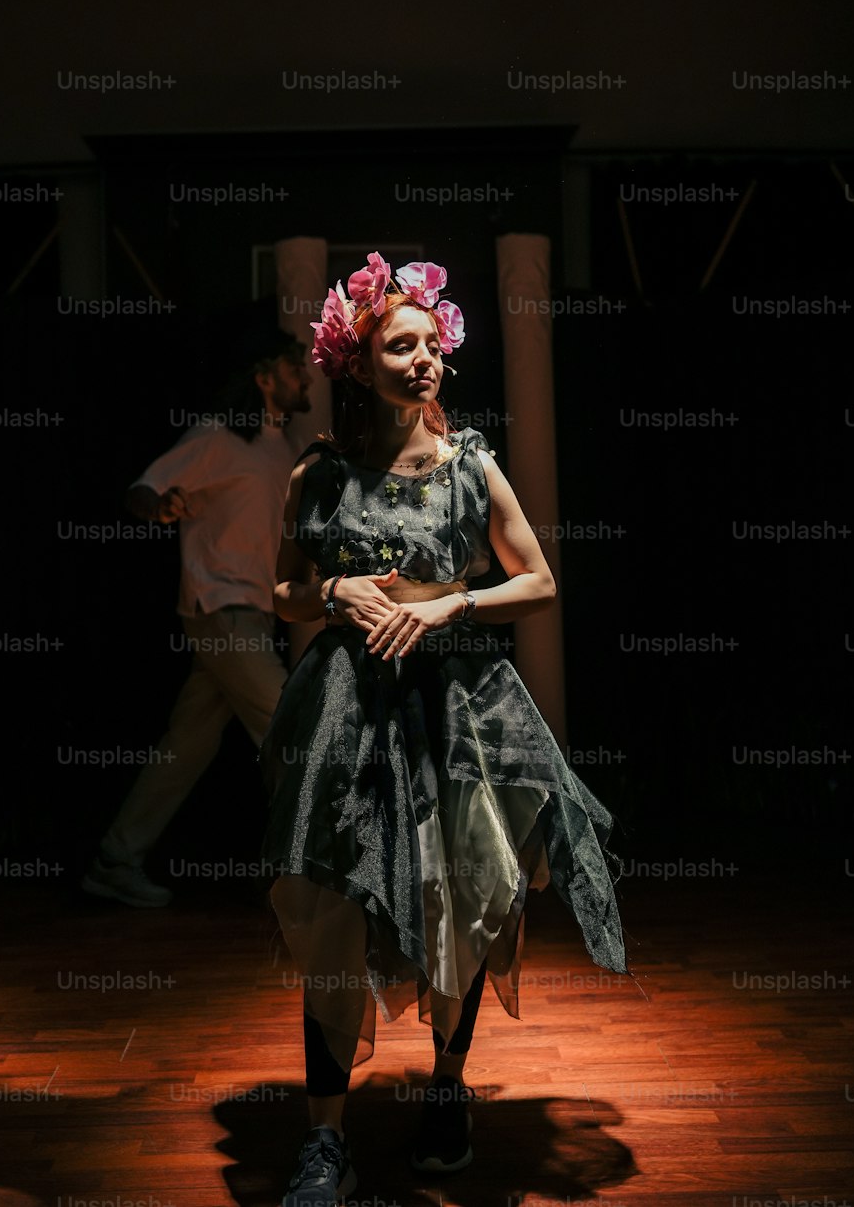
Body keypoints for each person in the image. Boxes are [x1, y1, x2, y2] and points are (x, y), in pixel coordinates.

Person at [257, 255, 631, 1207]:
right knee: (337, 906)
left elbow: (540, 580)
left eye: (433, 346)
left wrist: (450, 605)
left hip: (458, 709)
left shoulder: (469, 465)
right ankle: (324, 1141)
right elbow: (283, 588)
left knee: (457, 906)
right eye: (401, 345)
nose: (424, 361)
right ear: (359, 365)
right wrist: (334, 591)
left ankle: (448, 1089)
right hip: (349, 710)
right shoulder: (322, 472)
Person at [81, 325, 312, 908]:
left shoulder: (279, 447)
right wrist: (159, 504)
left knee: (186, 747)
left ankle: (115, 859)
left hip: (252, 618)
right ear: (263, 377)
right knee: (290, 731)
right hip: (221, 611)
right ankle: (310, 878)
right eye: (292, 366)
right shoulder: (217, 438)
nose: (304, 375)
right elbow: (143, 488)